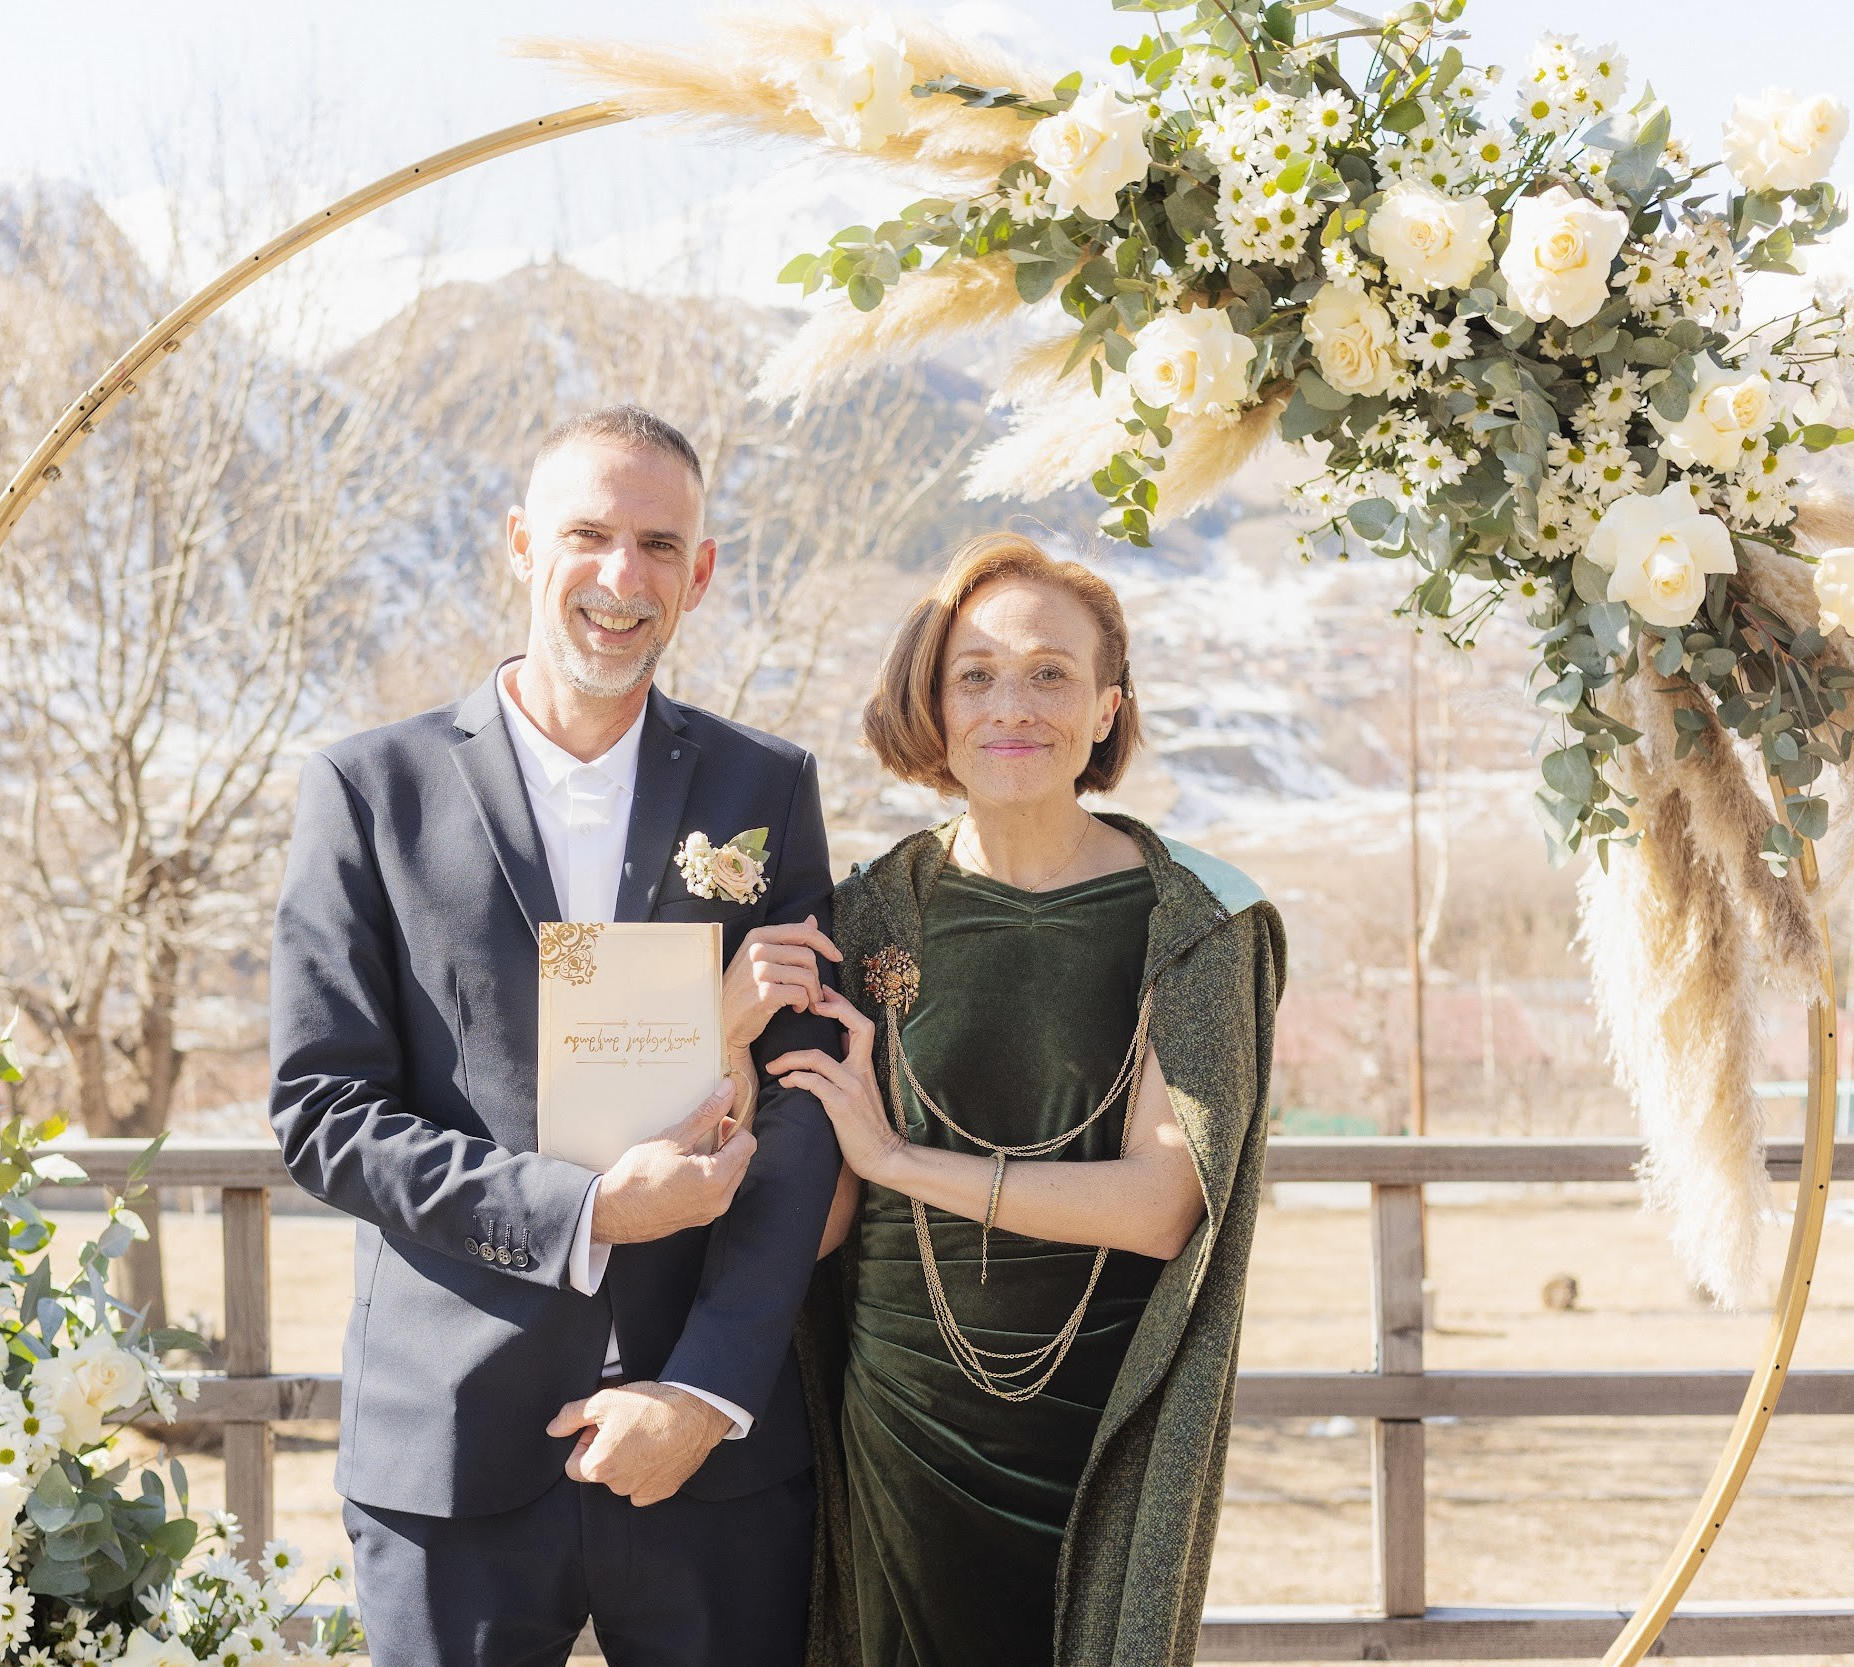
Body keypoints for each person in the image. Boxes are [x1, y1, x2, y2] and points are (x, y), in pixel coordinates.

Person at [267, 405, 845, 1667]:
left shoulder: (766, 789)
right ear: (522, 544)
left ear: (700, 571)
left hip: (712, 1453)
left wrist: (704, 1388)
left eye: (657, 542)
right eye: (588, 533)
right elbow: (322, 1111)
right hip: (452, 1445)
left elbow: (806, 1105)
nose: (619, 578)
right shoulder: (368, 791)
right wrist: (584, 1210)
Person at [726, 533, 1286, 1667]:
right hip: (902, 1412)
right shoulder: (869, 909)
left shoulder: (1197, 921)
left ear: (1104, 708)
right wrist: (731, 1052)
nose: (1009, 705)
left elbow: (1161, 1205)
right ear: (931, 705)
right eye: (972, 674)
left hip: (1103, 1407)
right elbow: (820, 1209)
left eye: (1049, 672)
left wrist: (905, 1162)